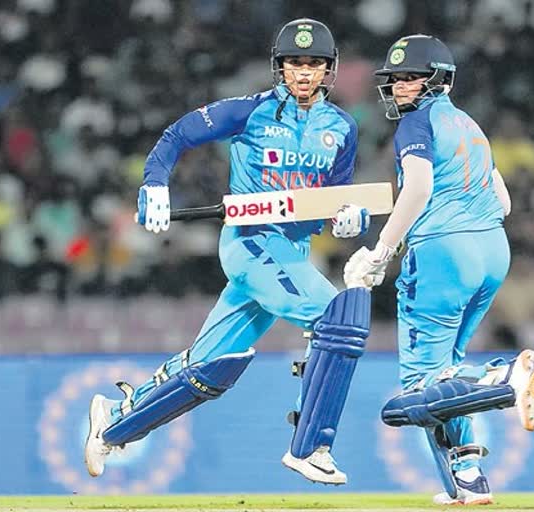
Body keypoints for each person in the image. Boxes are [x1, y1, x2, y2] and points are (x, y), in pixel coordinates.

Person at [85, 18, 373, 486]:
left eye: (314, 64)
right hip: (251, 242)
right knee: (337, 319)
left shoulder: (341, 127)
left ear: (329, 69)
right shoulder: (249, 112)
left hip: (292, 251)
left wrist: (348, 218)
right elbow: (177, 135)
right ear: (278, 68)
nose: (304, 73)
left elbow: (328, 201)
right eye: (295, 64)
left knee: (208, 369)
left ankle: (114, 422)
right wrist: (154, 185)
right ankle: (312, 443)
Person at [343, 35, 534, 505]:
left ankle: (502, 377)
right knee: (444, 374)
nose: (398, 88)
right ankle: (469, 479)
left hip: (443, 256)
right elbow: (504, 202)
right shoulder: (472, 125)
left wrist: (381, 251)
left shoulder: (417, 123)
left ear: (438, 80)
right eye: (394, 80)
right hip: (493, 249)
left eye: (410, 78)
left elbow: (417, 188)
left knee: (417, 390)